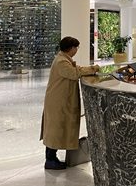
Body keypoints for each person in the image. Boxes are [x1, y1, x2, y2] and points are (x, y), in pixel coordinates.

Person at [41, 36, 99, 170]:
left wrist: (91, 68)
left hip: (60, 100)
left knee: (57, 129)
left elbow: (77, 68)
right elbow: (74, 73)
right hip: (57, 101)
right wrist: (93, 69)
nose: (77, 50)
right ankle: (50, 160)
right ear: (71, 48)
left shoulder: (65, 59)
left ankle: (52, 158)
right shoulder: (61, 61)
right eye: (76, 47)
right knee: (54, 130)